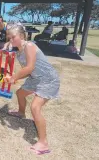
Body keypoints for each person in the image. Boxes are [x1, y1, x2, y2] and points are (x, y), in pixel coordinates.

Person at [3, 24, 60, 155]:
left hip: (48, 79)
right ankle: (21, 113)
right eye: (9, 38)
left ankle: (43, 143)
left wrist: (14, 77)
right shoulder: (18, 52)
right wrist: (15, 78)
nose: (10, 40)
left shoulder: (29, 46)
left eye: (13, 37)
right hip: (36, 78)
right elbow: (29, 72)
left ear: (22, 36)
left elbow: (29, 68)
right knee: (20, 93)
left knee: (35, 107)